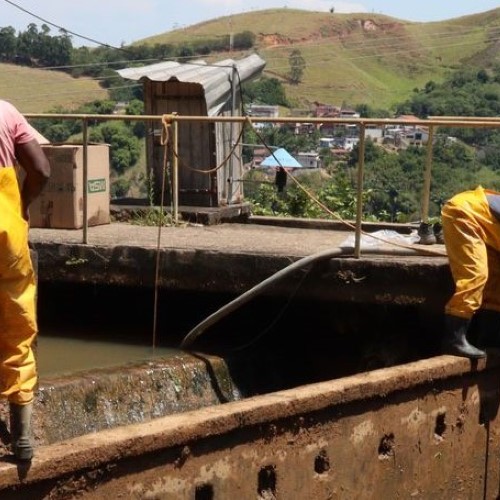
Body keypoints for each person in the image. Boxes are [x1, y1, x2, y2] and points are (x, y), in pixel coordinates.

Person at [0, 99, 50, 460]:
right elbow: (42, 170)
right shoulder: (7, 111)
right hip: (6, 231)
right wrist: (24, 203)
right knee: (18, 324)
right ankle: (22, 438)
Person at [440, 186, 500, 359]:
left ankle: (490, 339)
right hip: (465, 215)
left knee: (495, 283)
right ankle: (453, 339)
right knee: (475, 275)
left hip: (487, 227)